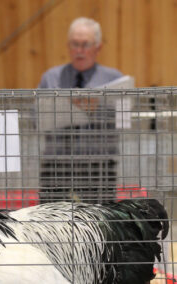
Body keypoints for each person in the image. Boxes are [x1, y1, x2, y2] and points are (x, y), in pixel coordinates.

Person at [38, 17, 123, 204]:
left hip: (98, 165)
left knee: (99, 221)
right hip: (57, 165)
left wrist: (97, 109)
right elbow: (35, 117)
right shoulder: (51, 78)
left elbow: (125, 120)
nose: (79, 50)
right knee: (50, 222)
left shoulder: (115, 80)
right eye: (74, 44)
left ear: (98, 47)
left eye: (85, 44)